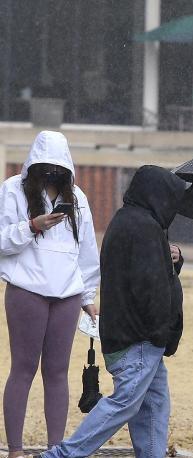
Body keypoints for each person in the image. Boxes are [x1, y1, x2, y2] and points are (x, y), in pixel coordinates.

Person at [37, 165, 187, 458]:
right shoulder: (144, 228)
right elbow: (150, 288)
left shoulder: (130, 221)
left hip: (131, 336)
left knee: (154, 405)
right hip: (140, 339)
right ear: (156, 195)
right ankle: (61, 455)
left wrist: (172, 258)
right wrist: (161, 333)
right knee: (124, 403)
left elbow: (148, 277)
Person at [0, 131, 100, 458]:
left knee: (57, 372)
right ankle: (15, 450)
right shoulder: (13, 189)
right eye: (46, 166)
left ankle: (55, 449)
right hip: (26, 289)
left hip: (67, 295)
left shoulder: (79, 198)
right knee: (23, 368)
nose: (52, 173)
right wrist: (33, 226)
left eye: (59, 167)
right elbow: (2, 240)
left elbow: (86, 251)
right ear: (34, 164)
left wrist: (88, 297)